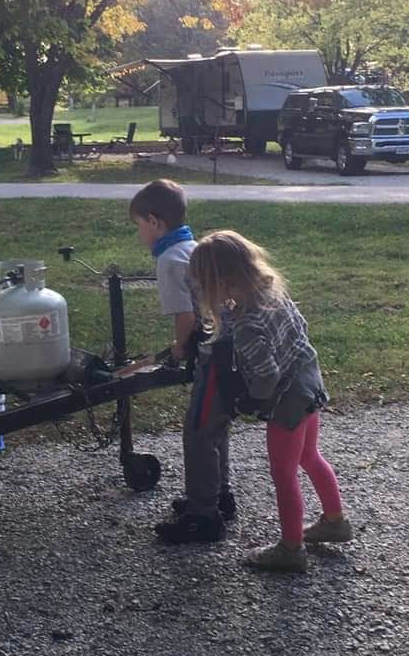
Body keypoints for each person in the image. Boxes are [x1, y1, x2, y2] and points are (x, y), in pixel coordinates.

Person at [162, 229, 352, 569]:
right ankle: (335, 521)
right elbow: (302, 329)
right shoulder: (273, 292)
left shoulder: (248, 324)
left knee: (283, 473)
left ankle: (290, 550)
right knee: (310, 456)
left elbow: (266, 376)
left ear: (219, 283)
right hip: (311, 383)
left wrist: (250, 400)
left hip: (288, 403)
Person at [129, 181, 236, 535]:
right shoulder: (191, 247)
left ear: (154, 222)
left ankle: (202, 516)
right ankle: (219, 495)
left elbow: (186, 317)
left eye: (138, 226)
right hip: (229, 346)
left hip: (216, 352)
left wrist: (177, 348)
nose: (139, 233)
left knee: (198, 431)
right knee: (215, 426)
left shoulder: (168, 259)